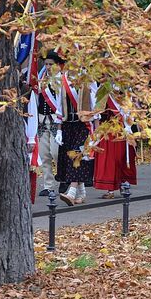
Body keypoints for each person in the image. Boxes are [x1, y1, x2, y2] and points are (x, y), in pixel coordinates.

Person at [56, 67, 98, 206]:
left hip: (83, 125)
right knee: (69, 157)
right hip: (68, 125)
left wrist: (96, 132)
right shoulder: (62, 79)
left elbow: (95, 105)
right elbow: (59, 107)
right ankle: (82, 193)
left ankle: (71, 192)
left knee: (76, 155)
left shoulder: (88, 79)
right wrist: (59, 130)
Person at [28, 51, 64, 197]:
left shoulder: (61, 80)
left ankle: (63, 179)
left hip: (56, 120)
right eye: (47, 64)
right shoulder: (41, 80)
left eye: (51, 64)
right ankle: (48, 185)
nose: (48, 67)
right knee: (44, 154)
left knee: (56, 153)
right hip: (42, 120)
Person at [92, 95, 137, 198]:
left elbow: (131, 109)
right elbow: (97, 112)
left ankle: (123, 183)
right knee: (109, 160)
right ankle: (110, 189)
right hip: (107, 130)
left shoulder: (125, 92)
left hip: (121, 129)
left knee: (121, 157)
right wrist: (98, 130)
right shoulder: (103, 92)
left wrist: (129, 126)